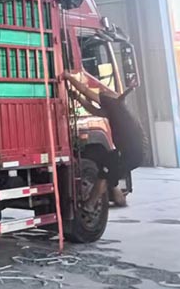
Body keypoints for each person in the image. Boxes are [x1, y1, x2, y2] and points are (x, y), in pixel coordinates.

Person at [61, 70, 146, 209]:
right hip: (134, 153)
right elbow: (94, 111)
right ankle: (119, 198)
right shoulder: (118, 108)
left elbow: (85, 90)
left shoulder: (111, 103)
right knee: (109, 169)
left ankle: (90, 205)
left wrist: (69, 77)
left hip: (130, 153)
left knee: (103, 175)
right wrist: (78, 98)